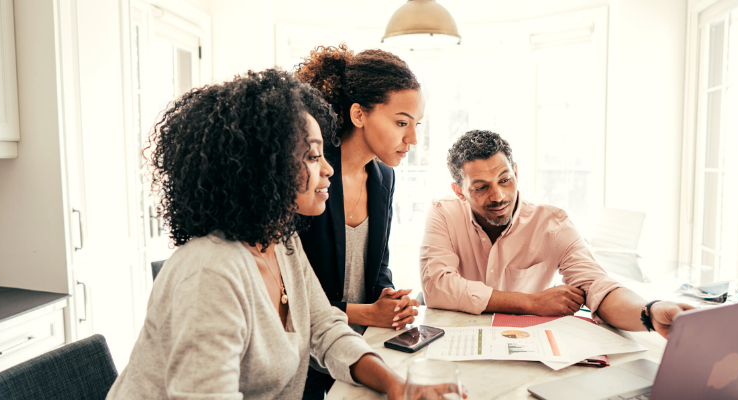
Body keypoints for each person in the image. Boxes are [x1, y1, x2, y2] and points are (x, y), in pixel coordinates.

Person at [105, 69, 409, 399]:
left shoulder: (282, 242)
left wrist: (398, 386)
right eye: (311, 156)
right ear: (264, 167)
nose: (328, 168)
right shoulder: (211, 270)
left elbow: (325, 328)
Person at [419, 130, 694, 339]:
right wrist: (531, 302)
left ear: (515, 172)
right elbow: (437, 287)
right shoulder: (443, 212)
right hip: (458, 339)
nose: (498, 196)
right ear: (459, 191)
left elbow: (597, 286)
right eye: (481, 187)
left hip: (525, 343)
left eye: (505, 180)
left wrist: (650, 312)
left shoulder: (552, 224)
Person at [294, 44, 425, 398]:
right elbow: (293, 297)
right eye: (401, 122)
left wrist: (387, 296)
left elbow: (377, 262)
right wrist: (368, 313)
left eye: (415, 125)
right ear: (358, 114)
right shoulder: (307, 181)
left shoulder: (384, 177)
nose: (412, 139)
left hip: (356, 348)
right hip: (303, 358)